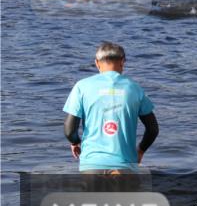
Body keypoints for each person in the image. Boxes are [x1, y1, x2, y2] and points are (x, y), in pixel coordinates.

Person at [63, 42, 159, 174]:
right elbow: (153, 129)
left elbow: (69, 130)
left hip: (92, 165)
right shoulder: (134, 88)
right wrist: (141, 150)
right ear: (122, 62)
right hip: (125, 166)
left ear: (97, 63)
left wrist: (75, 142)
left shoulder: (82, 87)